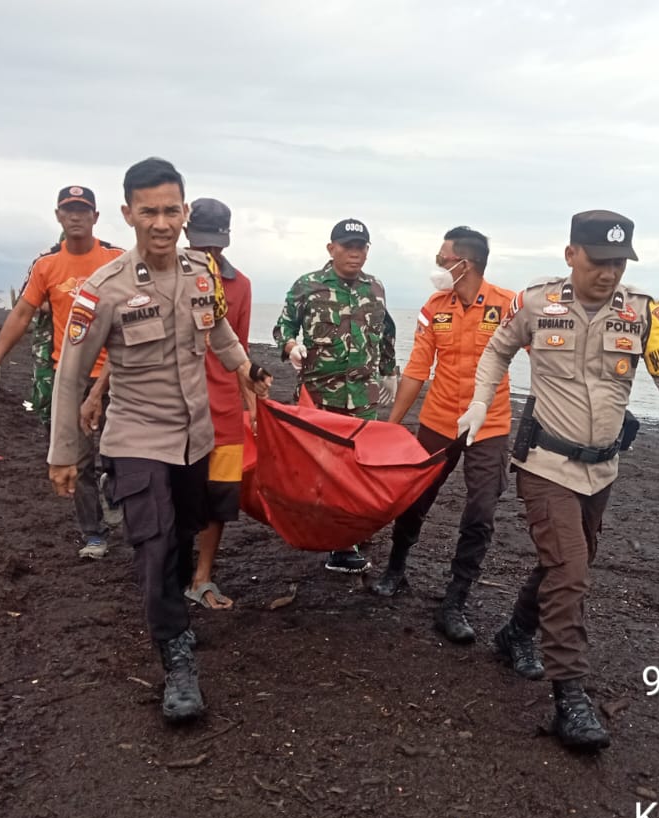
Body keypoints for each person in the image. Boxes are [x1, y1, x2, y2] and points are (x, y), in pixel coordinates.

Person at [464, 210, 659, 751]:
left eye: (619, 262)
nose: (609, 273)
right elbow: (497, 349)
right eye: (599, 261)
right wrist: (480, 401)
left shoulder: (643, 312)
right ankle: (570, 697)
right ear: (572, 255)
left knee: (569, 562)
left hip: (602, 469)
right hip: (545, 464)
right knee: (570, 572)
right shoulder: (536, 303)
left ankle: (515, 632)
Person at [47, 157, 270, 724]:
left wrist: (245, 370)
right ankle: (177, 662)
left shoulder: (201, 271)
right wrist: (64, 453)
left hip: (195, 439)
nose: (162, 222)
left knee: (181, 540)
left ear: (186, 212)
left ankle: (174, 613)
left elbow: (216, 327)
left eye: (172, 210)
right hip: (136, 438)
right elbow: (70, 375)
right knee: (154, 545)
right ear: (127, 215)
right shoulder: (105, 289)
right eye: (149, 211)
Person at [372, 226, 516, 644]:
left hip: (489, 425)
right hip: (438, 421)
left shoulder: (508, 307)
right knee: (415, 497)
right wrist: (392, 423)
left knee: (481, 512)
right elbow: (418, 369)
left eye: (441, 258)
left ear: (463, 264)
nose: (437, 264)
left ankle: (455, 600)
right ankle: (396, 569)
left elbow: (540, 354)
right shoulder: (434, 307)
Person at [0, 186, 123, 559]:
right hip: (69, 376)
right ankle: (94, 534)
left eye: (83, 210)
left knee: (123, 453)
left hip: (118, 374)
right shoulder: (46, 265)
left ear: (96, 217)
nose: (76, 216)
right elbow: (22, 314)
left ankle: (116, 491)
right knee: (79, 458)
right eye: (69, 210)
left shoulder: (117, 260)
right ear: (58, 216)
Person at [273, 218, 398, 574]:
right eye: (348, 246)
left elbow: (385, 332)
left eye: (361, 247)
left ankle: (345, 540)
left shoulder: (375, 289)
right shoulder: (307, 286)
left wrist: (390, 371)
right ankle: (321, 527)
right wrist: (291, 345)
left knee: (357, 468)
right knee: (319, 468)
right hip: (318, 397)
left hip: (362, 397)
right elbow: (283, 325)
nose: (355, 254)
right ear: (332, 249)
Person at [182, 198, 253, 610]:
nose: (209, 254)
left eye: (216, 246)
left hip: (223, 406)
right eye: (201, 245)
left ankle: (202, 576)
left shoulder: (239, 284)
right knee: (173, 491)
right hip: (175, 405)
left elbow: (238, 349)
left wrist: (252, 408)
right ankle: (170, 569)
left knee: (219, 497)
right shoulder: (165, 275)